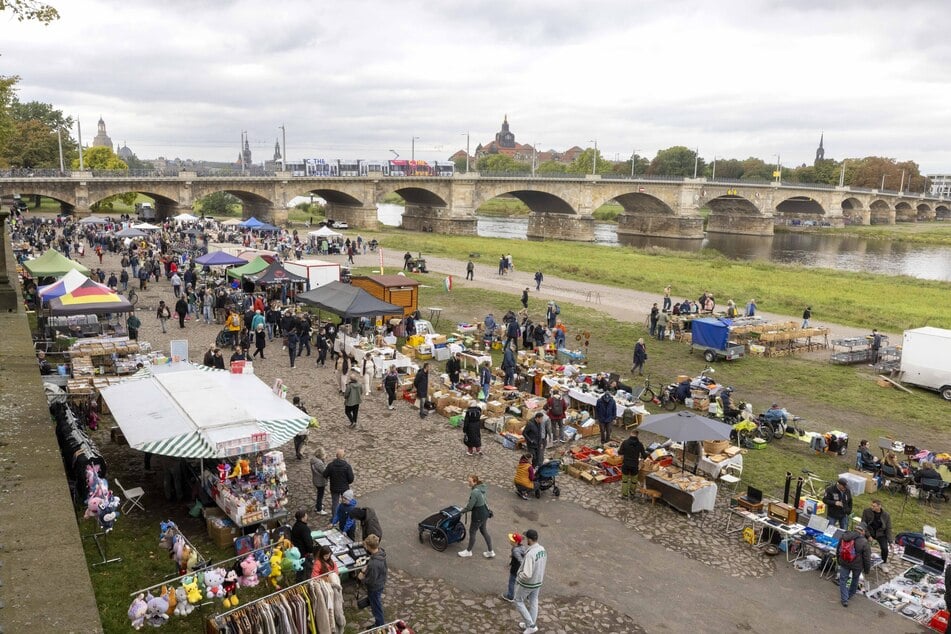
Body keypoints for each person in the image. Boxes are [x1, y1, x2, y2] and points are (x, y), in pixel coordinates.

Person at [513, 528, 546, 634]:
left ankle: (531, 625)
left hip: (528, 583)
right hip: (538, 581)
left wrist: (519, 576)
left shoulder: (530, 554)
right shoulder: (542, 550)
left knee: (518, 600)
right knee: (534, 601)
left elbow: (527, 574)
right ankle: (530, 623)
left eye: (526, 538)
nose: (525, 539)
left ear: (530, 539)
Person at [458, 474, 494, 558]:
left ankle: (468, 551)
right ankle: (490, 551)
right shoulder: (481, 488)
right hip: (485, 512)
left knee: (472, 532)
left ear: (475, 482)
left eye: (470, 482)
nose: (468, 483)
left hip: (478, 515)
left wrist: (462, 511)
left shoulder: (475, 492)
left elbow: (470, 506)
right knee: (484, 531)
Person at [836, 522, 872, 608]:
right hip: (857, 566)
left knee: (843, 580)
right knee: (855, 580)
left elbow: (838, 549)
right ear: (863, 531)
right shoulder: (864, 542)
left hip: (844, 562)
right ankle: (849, 595)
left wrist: (839, 560)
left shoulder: (844, 536)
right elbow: (867, 558)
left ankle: (844, 599)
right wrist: (867, 569)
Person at [358, 534, 387, 628]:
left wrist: (362, 577)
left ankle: (379, 625)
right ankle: (365, 602)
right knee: (374, 599)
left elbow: (371, 581)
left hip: (375, 586)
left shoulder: (374, 563)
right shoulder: (381, 552)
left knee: (376, 608)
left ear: (369, 546)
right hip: (381, 581)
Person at [322, 449, 354, 518]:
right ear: (343, 457)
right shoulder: (347, 466)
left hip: (334, 488)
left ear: (336, 456)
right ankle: (346, 516)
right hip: (344, 488)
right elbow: (351, 479)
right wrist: (347, 482)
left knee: (335, 503)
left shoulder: (331, 465)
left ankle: (334, 518)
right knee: (346, 502)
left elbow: (325, 474)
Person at [618, 429, 648, 500]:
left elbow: (620, 452)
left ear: (630, 433)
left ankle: (624, 495)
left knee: (625, 480)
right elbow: (644, 455)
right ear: (637, 435)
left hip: (626, 464)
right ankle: (632, 494)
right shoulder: (640, 444)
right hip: (634, 465)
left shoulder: (625, 442)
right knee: (634, 481)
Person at [502, 532, 527, 602]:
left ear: (515, 542)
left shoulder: (515, 550)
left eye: (511, 540)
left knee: (512, 582)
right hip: (519, 568)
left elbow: (520, 560)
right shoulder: (521, 547)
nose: (510, 541)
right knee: (519, 582)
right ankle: (524, 595)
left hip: (516, 569)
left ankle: (510, 596)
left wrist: (522, 567)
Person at [310, 447, 328, 515]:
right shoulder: (319, 463)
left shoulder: (313, 460)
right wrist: (324, 462)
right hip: (320, 481)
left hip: (316, 479)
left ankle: (318, 505)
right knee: (320, 495)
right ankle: (319, 509)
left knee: (319, 494)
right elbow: (324, 472)